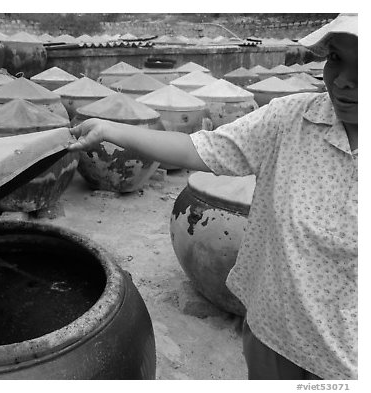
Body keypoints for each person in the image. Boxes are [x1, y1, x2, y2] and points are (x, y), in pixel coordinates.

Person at [68, 13, 357, 380]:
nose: (344, 81)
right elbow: (197, 149)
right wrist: (111, 129)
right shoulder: (291, 120)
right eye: (336, 58)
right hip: (273, 334)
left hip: (345, 361)